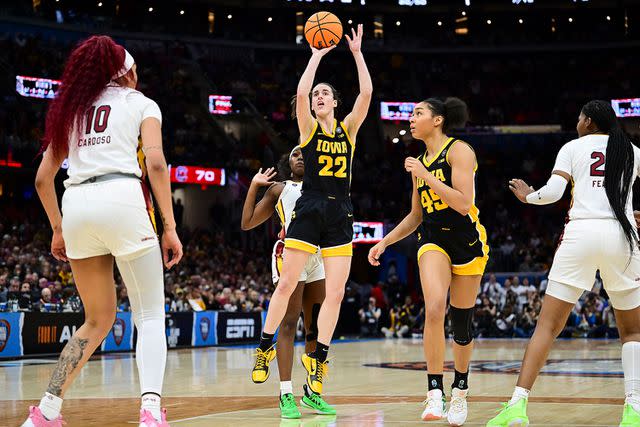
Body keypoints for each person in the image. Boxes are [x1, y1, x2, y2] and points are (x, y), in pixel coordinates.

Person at [24, 35, 182, 427]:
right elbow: (158, 165)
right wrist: (171, 227)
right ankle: (149, 412)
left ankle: (45, 412)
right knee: (148, 315)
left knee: (95, 320)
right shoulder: (141, 104)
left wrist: (58, 229)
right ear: (126, 71)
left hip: (77, 202)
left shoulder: (73, 111)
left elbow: (44, 179)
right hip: (122, 196)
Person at [487, 100, 640, 427]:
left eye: (578, 118)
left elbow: (553, 193)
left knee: (547, 326)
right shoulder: (632, 150)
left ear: (587, 121)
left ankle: (517, 406)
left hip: (581, 235)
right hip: (622, 237)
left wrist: (528, 196)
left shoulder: (573, 147)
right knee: (632, 332)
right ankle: (634, 411)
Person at [251, 24, 372, 401]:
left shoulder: (349, 130)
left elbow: (366, 92)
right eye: (317, 94)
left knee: (335, 294)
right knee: (286, 286)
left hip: (341, 213)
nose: (319, 96)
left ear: (336, 103)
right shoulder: (307, 130)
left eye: (326, 94)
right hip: (310, 209)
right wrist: (317, 54)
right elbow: (301, 91)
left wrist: (356, 53)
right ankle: (264, 347)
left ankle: (319, 359)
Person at [368, 97, 489, 425]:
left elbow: (464, 203)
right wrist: (384, 241)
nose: (411, 119)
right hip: (433, 240)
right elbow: (416, 216)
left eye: (418, 113)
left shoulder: (458, 150)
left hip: (466, 240)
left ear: (437, 120)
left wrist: (426, 174)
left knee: (462, 325)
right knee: (435, 307)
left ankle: (460, 390)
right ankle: (434, 391)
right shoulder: (417, 163)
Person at [241, 147, 333, 418]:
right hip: (290, 253)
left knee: (316, 326)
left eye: (306, 153)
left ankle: (313, 393)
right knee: (290, 321)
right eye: (296, 154)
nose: (301, 157)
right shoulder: (279, 189)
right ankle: (285, 393)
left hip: (318, 255)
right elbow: (247, 222)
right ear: (288, 163)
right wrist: (253, 186)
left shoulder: (325, 186)